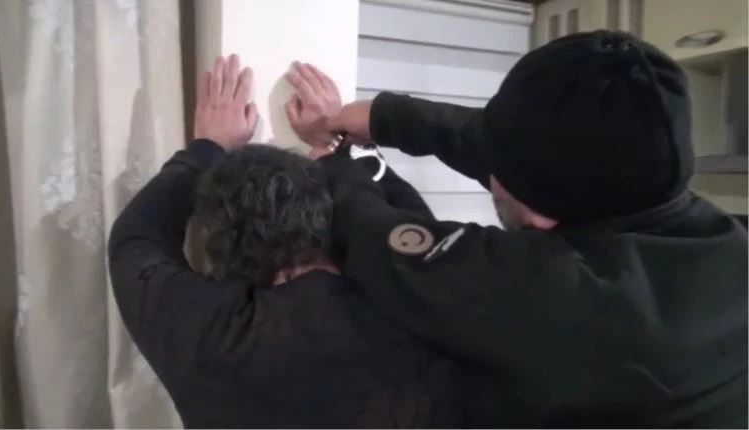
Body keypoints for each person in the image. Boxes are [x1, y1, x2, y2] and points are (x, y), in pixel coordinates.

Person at [285, 30, 748, 427]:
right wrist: (384, 117)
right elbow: (516, 146)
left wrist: (331, 160)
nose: (489, 168)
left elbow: (382, 245)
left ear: (541, 216)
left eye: (498, 170)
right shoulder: (698, 226)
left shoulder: (571, 302)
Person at [107, 54, 473, 428]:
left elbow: (136, 239)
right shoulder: (415, 299)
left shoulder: (208, 335)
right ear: (325, 217)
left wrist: (207, 146)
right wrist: (338, 145)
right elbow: (410, 229)